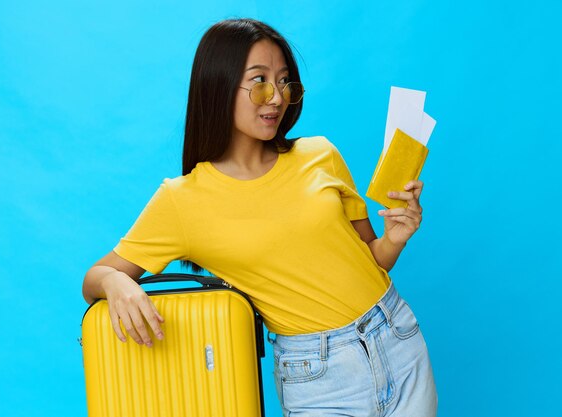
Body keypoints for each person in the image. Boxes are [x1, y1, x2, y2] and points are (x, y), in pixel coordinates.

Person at [82, 17, 437, 417]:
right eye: (260, 81)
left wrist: (394, 239)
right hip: (317, 378)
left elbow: (370, 258)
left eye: (285, 82)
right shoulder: (181, 201)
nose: (277, 97)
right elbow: (93, 278)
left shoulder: (321, 154)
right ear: (218, 85)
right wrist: (115, 282)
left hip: (397, 337)